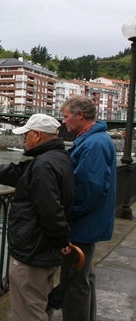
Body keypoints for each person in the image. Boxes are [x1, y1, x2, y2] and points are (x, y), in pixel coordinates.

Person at [0, 114, 74, 321]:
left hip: (33, 251)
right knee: (40, 304)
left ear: (37, 135)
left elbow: (49, 209)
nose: (23, 140)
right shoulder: (56, 159)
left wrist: (61, 239)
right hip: (44, 249)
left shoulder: (44, 165)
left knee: (28, 312)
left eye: (26, 135)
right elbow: (17, 173)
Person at [59, 95, 117, 321]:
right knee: (84, 278)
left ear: (79, 115)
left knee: (74, 283)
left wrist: (65, 216)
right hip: (89, 223)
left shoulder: (93, 144)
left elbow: (88, 190)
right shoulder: (96, 140)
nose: (63, 122)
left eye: (66, 116)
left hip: (82, 225)